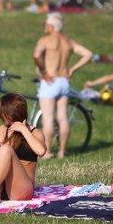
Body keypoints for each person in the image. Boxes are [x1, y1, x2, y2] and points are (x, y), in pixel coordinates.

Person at [33, 13, 93, 158]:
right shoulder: (68, 41)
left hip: (50, 81)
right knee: (62, 118)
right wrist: (72, 69)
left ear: (51, 26)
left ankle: (47, 152)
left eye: (46, 25)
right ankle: (62, 151)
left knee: (47, 118)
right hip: (63, 82)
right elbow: (88, 54)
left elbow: (36, 55)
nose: (45, 27)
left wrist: (43, 72)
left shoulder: (45, 40)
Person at [0, 93, 46, 205]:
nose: (2, 116)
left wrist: (24, 130)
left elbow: (41, 151)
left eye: (4, 113)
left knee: (6, 150)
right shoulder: (3, 129)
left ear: (14, 113)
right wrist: (7, 138)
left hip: (19, 189)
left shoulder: (35, 133)